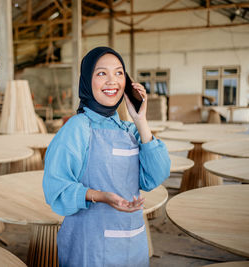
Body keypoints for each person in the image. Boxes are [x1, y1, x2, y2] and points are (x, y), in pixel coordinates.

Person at [42, 46, 171, 267]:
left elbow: (156, 176)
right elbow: (56, 188)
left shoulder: (129, 130)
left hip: (132, 243)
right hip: (89, 246)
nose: (112, 81)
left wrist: (141, 120)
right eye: (102, 73)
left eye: (119, 73)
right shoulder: (78, 128)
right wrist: (100, 196)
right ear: (86, 81)